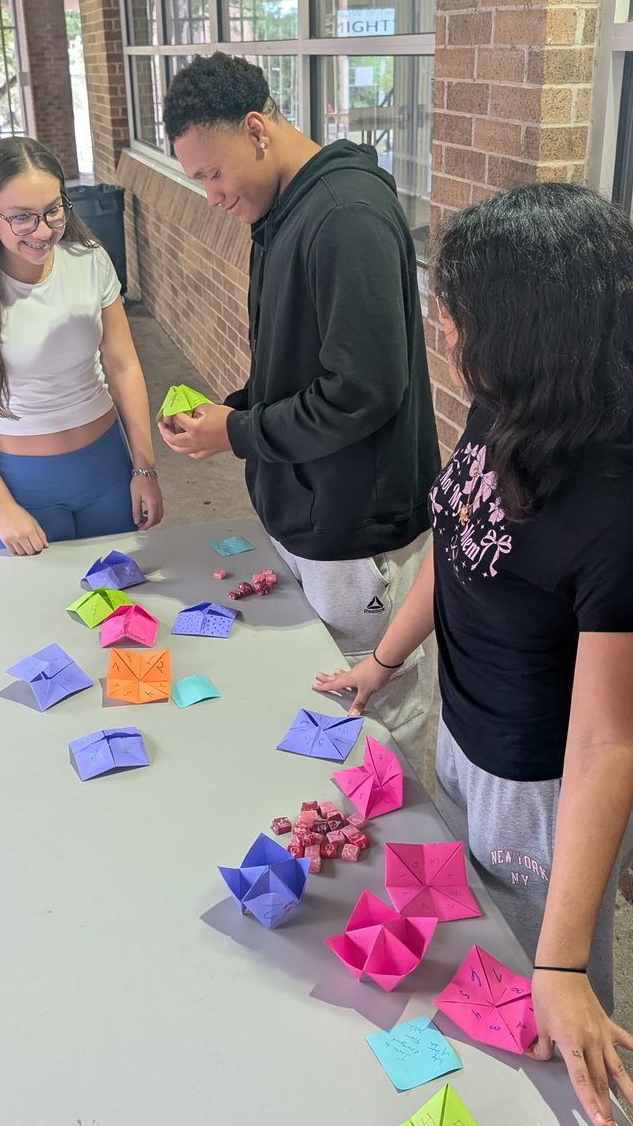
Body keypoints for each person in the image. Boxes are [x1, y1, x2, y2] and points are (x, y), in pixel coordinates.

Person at [314, 183, 633, 1125]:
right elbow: (456, 547)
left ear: (534, 330)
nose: (447, 337)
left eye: (461, 319)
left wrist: (565, 963)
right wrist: (385, 662)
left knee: (545, 1020)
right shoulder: (513, 405)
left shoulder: (624, 501)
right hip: (468, 741)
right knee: (472, 966)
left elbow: (607, 740)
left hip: (548, 794)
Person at [159, 53, 440, 774]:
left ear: (257, 129)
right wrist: (234, 412)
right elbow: (298, 366)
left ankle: (413, 866)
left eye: (213, 174)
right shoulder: (281, 213)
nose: (212, 197)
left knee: (383, 711)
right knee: (330, 699)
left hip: (358, 532)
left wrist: (243, 433)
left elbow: (363, 390)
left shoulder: (343, 215)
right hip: (311, 516)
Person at [0, 137, 162, 554]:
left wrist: (144, 468)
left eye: (53, 209)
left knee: (124, 610)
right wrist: (1, 507)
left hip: (108, 471)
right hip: (23, 487)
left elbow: (123, 364)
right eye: (22, 218)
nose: (44, 230)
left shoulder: (88, 261)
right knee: (42, 616)